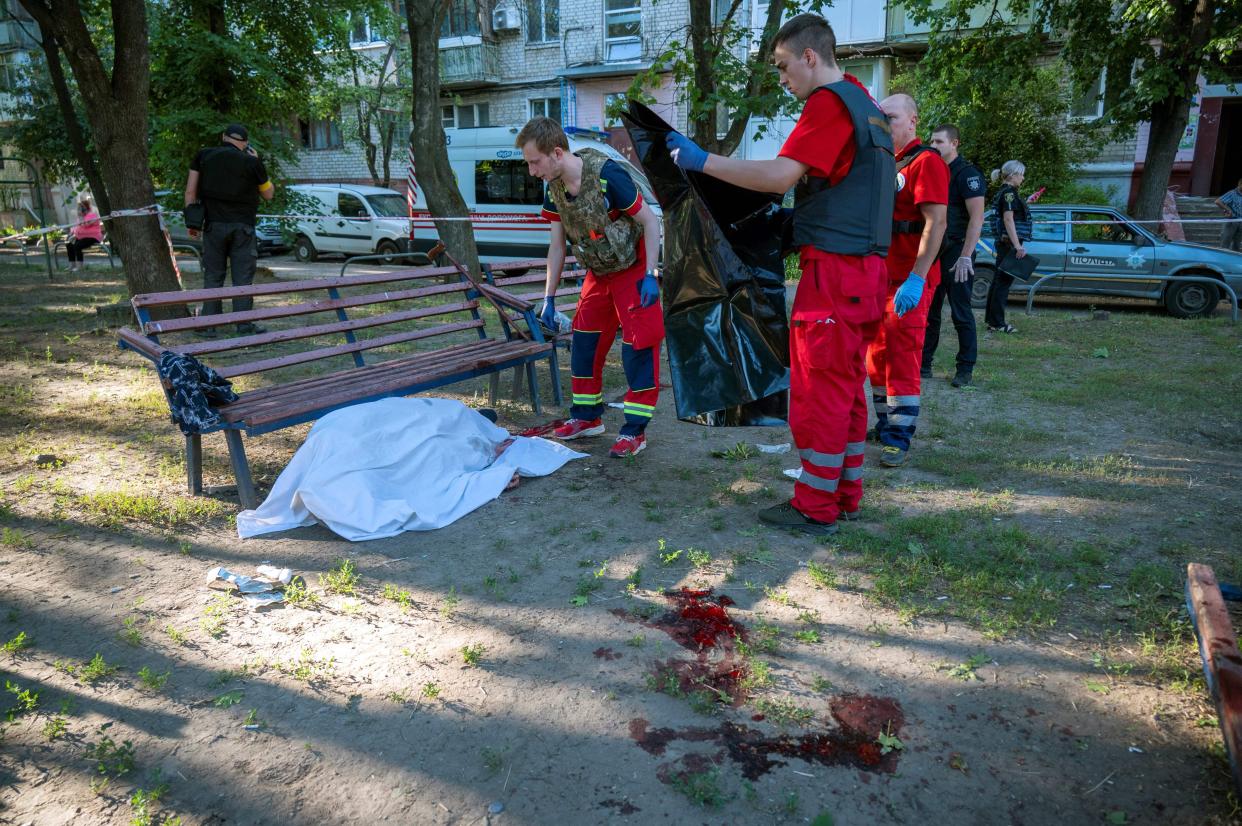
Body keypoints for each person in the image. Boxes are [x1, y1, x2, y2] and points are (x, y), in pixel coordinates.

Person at [664, 13, 894, 535]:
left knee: (819, 392)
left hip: (836, 271)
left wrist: (705, 162)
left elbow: (778, 177)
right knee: (847, 388)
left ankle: (814, 506)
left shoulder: (830, 103)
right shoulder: (868, 105)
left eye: (784, 66)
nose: (783, 79)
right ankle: (845, 493)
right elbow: (848, 189)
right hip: (865, 270)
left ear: (810, 57)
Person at [517, 116, 665, 459]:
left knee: (637, 348)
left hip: (632, 270)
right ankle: (587, 418)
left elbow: (650, 222)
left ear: (556, 153)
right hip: (599, 274)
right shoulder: (553, 188)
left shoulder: (607, 176)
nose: (531, 171)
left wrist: (651, 274)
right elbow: (556, 246)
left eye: (534, 162)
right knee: (584, 344)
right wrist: (548, 298)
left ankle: (634, 432)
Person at [865, 94, 947, 469]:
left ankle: (899, 437)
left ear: (913, 121)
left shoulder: (925, 162)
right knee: (875, 358)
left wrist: (916, 279)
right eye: (880, 118)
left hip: (908, 280)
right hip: (879, 279)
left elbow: (936, 222)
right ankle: (885, 426)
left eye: (892, 117)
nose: (885, 123)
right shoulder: (884, 163)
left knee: (902, 357)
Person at [184, 123, 275, 338]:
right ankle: (243, 325)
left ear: (224, 137)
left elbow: (190, 192)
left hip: (213, 226)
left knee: (213, 275)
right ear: (245, 143)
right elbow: (269, 194)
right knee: (242, 278)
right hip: (243, 228)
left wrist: (192, 224)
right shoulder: (252, 162)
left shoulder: (203, 156)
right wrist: (256, 161)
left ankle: (210, 325)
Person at [922, 124, 985, 388]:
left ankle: (965, 369)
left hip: (958, 250)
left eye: (939, 142)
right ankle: (923, 364)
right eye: (932, 142)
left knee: (960, 311)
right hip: (935, 248)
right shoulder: (932, 170)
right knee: (929, 311)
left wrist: (966, 256)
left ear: (954, 143)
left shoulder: (967, 173)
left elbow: (977, 218)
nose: (934, 146)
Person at [985, 160, 1031, 334]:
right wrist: (1018, 246)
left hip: (1005, 243)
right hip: (1009, 244)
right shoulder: (1009, 193)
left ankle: (992, 321)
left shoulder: (1005, 193)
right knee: (1003, 283)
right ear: (1012, 175)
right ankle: (998, 323)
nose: (1023, 177)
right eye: (1021, 174)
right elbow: (1008, 219)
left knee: (999, 282)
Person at [65, 199, 103, 272]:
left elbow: (86, 225)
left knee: (77, 246)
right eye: (79, 208)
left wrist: (81, 217)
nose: (79, 210)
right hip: (82, 237)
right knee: (69, 245)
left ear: (86, 208)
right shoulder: (80, 217)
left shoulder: (92, 215)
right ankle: (72, 265)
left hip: (92, 237)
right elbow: (76, 227)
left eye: (81, 208)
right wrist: (71, 233)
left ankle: (79, 266)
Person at [1214, 177, 1242, 252]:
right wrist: (1227, 209)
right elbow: (1218, 201)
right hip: (1231, 220)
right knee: (1225, 242)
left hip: (1241, 221)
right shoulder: (1232, 193)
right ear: (1239, 184)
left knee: (1237, 244)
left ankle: (1234, 261)